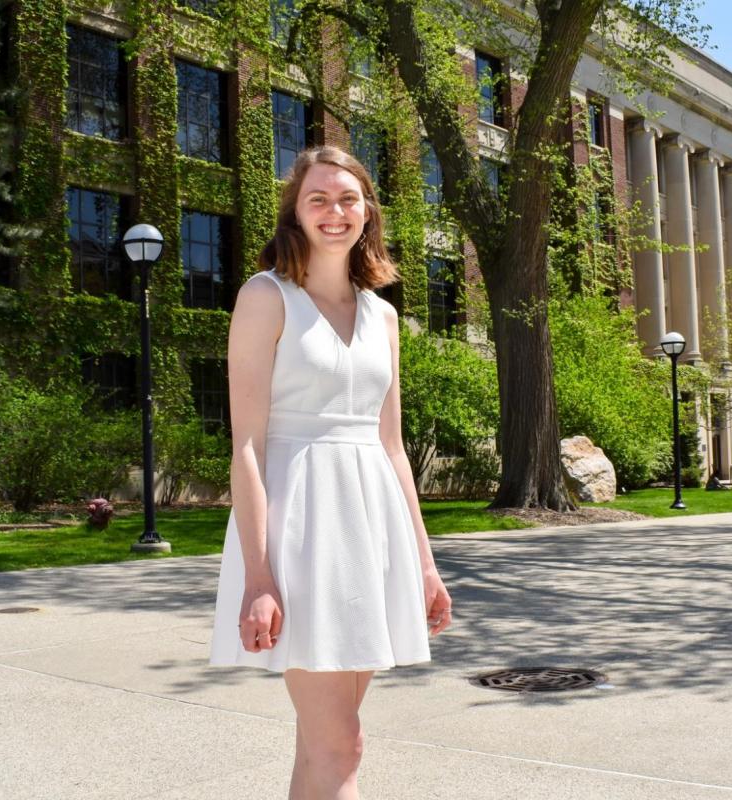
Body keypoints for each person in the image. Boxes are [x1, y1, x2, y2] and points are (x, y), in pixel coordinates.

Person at [209, 145, 453, 799]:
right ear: (295, 210)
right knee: (340, 743)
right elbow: (249, 447)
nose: (334, 211)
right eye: (317, 198)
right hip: (299, 532)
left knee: (324, 745)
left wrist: (425, 566)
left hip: (372, 531)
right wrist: (260, 576)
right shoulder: (266, 297)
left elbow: (393, 447)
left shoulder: (385, 315)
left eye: (347, 198)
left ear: (367, 211)